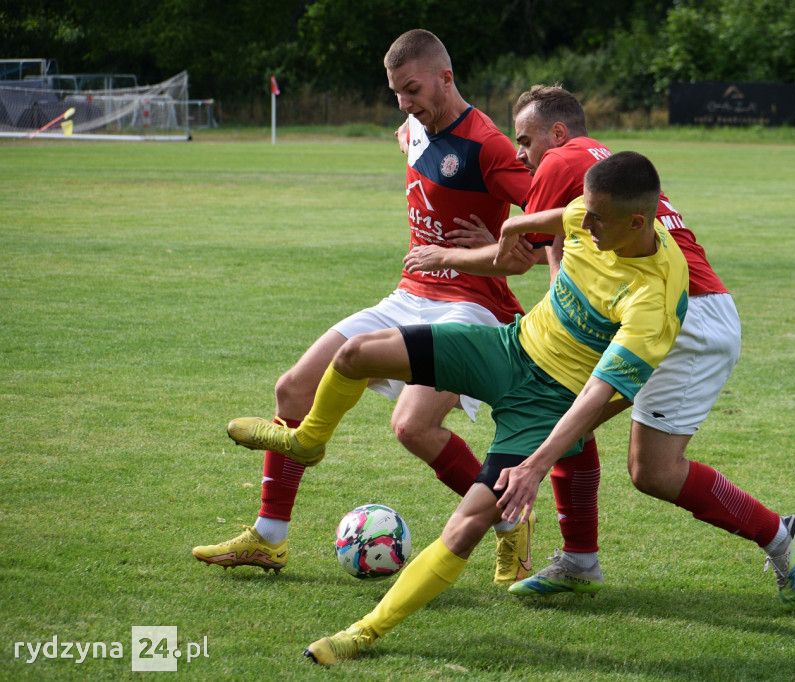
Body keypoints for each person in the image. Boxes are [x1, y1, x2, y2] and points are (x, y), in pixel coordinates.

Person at [226, 151, 689, 664]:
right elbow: (564, 218)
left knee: (466, 525)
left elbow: (598, 395)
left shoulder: (654, 300)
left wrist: (535, 466)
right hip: (510, 348)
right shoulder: (593, 212)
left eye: (598, 219)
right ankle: (308, 441)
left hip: (549, 403)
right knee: (355, 354)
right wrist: (512, 227)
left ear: (638, 223)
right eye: (587, 211)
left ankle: (362, 633)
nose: (587, 222)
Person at [406, 85, 795, 603]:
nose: (521, 155)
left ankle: (779, 534)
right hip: (672, 306)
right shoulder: (596, 159)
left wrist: (445, 255)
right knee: (564, 415)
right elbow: (558, 246)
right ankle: (579, 561)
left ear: (557, 133)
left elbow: (517, 258)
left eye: (525, 140)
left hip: (688, 320)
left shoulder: (561, 161)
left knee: (652, 470)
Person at [191, 29, 540, 586]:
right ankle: (269, 538)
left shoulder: (488, 146)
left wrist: (497, 244)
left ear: (446, 78)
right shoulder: (414, 128)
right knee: (293, 389)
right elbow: (413, 138)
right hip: (408, 296)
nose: (403, 104)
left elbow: (560, 224)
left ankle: (509, 523)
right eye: (396, 92)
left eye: (413, 90)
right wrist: (411, 127)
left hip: (472, 307)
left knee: (412, 426)